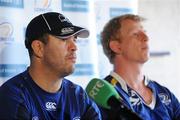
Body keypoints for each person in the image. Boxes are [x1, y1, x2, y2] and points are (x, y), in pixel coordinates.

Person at [0, 12, 102, 120]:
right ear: (39, 48)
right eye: (64, 39)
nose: (74, 47)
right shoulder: (12, 96)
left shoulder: (78, 96)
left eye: (74, 39)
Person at [99, 14, 180, 120]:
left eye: (144, 32)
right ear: (117, 47)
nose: (146, 38)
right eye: (135, 34)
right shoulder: (104, 96)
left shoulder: (164, 93)